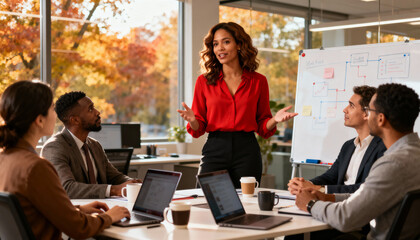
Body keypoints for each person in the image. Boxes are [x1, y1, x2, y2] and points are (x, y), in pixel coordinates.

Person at [0, 81, 130, 239]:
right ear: (39, 120)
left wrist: (77, 209)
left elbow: (33, 210)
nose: (56, 115)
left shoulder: (5, 159)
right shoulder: (36, 167)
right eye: (52, 108)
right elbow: (79, 228)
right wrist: (111, 216)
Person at [177, 22, 297, 188]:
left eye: (226, 42)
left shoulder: (258, 81)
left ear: (239, 45)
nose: (220, 48)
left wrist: (275, 119)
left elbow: (263, 125)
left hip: (247, 150)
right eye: (215, 44)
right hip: (215, 148)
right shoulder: (204, 81)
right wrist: (192, 120)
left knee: (247, 202)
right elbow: (199, 127)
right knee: (205, 200)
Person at [295, 83, 420, 240]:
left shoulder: (392, 164)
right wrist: (328, 197)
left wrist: (310, 204)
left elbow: (345, 218)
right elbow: (366, 196)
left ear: (380, 119)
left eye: (370, 110)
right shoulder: (413, 154)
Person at [41, 91, 141, 199]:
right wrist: (114, 190)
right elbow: (67, 188)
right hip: (77, 211)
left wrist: (132, 183)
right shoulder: (54, 147)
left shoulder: (94, 145)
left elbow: (114, 176)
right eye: (90, 109)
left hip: (102, 207)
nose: (97, 112)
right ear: (75, 120)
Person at [288, 86, 386, 195]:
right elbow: (330, 176)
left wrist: (319, 189)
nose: (345, 109)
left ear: (366, 113)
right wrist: (305, 184)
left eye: (351, 106)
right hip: (336, 203)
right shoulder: (348, 146)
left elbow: (367, 188)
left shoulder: (383, 147)